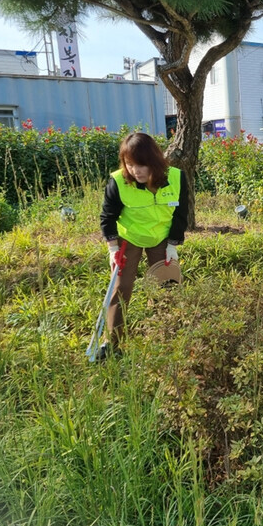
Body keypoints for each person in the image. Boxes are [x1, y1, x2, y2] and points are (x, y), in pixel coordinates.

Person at [98, 132, 188, 360]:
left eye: (141, 165)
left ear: (154, 162)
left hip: (160, 238)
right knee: (121, 287)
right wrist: (112, 249)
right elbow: (107, 217)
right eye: (130, 164)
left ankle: (164, 335)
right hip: (130, 240)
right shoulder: (118, 181)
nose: (135, 171)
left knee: (165, 283)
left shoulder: (176, 178)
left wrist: (172, 245)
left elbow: (180, 214)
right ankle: (111, 343)